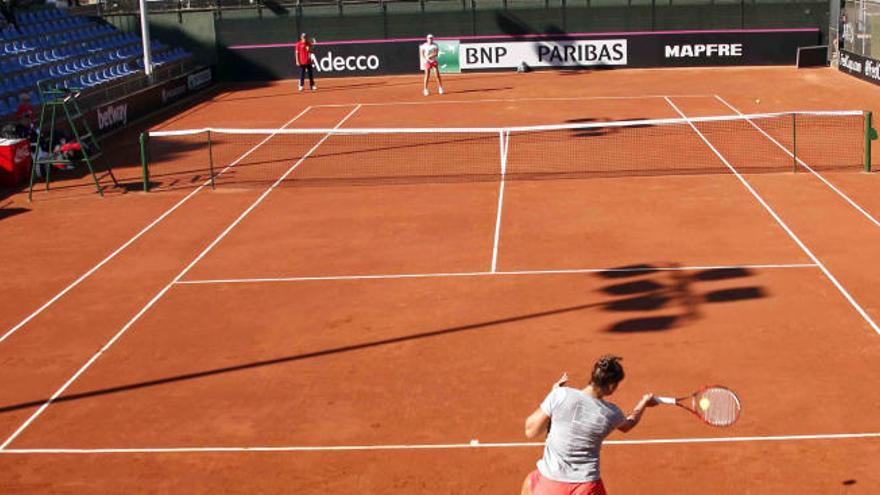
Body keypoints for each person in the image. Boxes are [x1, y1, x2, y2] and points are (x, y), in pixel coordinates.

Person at [522, 355, 656, 495]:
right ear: (611, 386)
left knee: (529, 483)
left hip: (548, 485)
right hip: (586, 488)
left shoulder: (560, 395)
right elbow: (629, 423)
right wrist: (644, 403)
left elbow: (530, 431)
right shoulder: (611, 413)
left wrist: (553, 395)